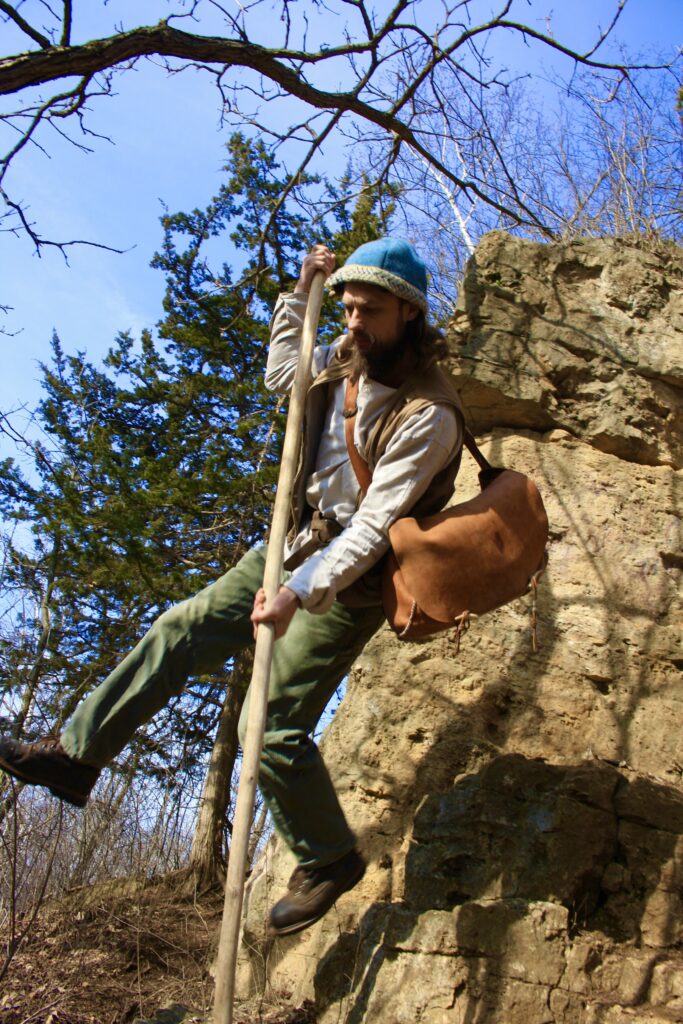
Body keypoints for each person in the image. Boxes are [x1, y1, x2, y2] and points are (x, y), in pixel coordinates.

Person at [0, 238, 464, 936]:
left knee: (268, 724)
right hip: (295, 536)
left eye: (367, 309)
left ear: (407, 310)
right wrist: (297, 296)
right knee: (179, 628)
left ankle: (329, 857)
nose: (353, 321)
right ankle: (76, 757)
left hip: (355, 578)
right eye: (345, 307)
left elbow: (373, 528)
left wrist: (298, 591)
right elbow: (285, 375)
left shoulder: (429, 414)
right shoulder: (343, 356)